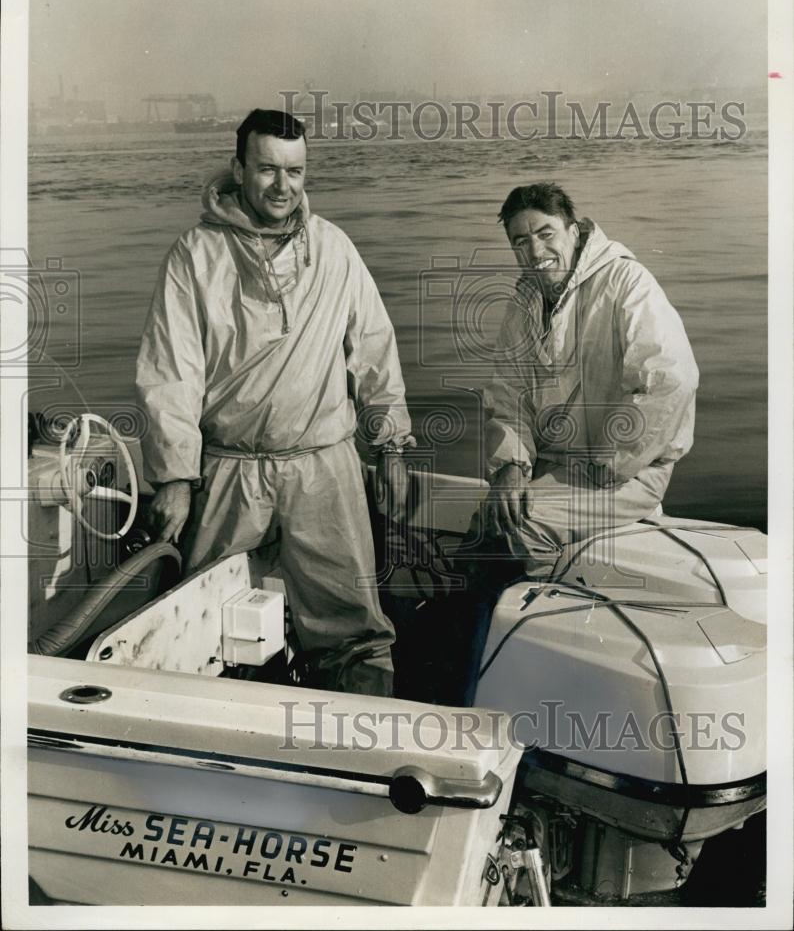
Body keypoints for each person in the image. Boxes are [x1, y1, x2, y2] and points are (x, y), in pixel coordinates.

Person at [135, 109, 413, 696]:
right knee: (204, 624)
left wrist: (390, 445)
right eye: (267, 169)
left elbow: (374, 351)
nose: (283, 186)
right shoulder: (195, 255)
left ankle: (365, 748)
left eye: (295, 171)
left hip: (324, 467)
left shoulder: (334, 248)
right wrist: (176, 477)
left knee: (354, 631)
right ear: (239, 170)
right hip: (229, 470)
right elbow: (171, 373)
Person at [443, 181, 699, 705]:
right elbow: (509, 396)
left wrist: (612, 459)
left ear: (574, 230)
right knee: (486, 525)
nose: (535, 252)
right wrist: (510, 469)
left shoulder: (626, 282)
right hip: (561, 468)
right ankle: (468, 671)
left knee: (513, 531)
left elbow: (671, 377)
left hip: (628, 470)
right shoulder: (525, 301)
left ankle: (496, 687)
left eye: (544, 233)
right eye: (520, 241)